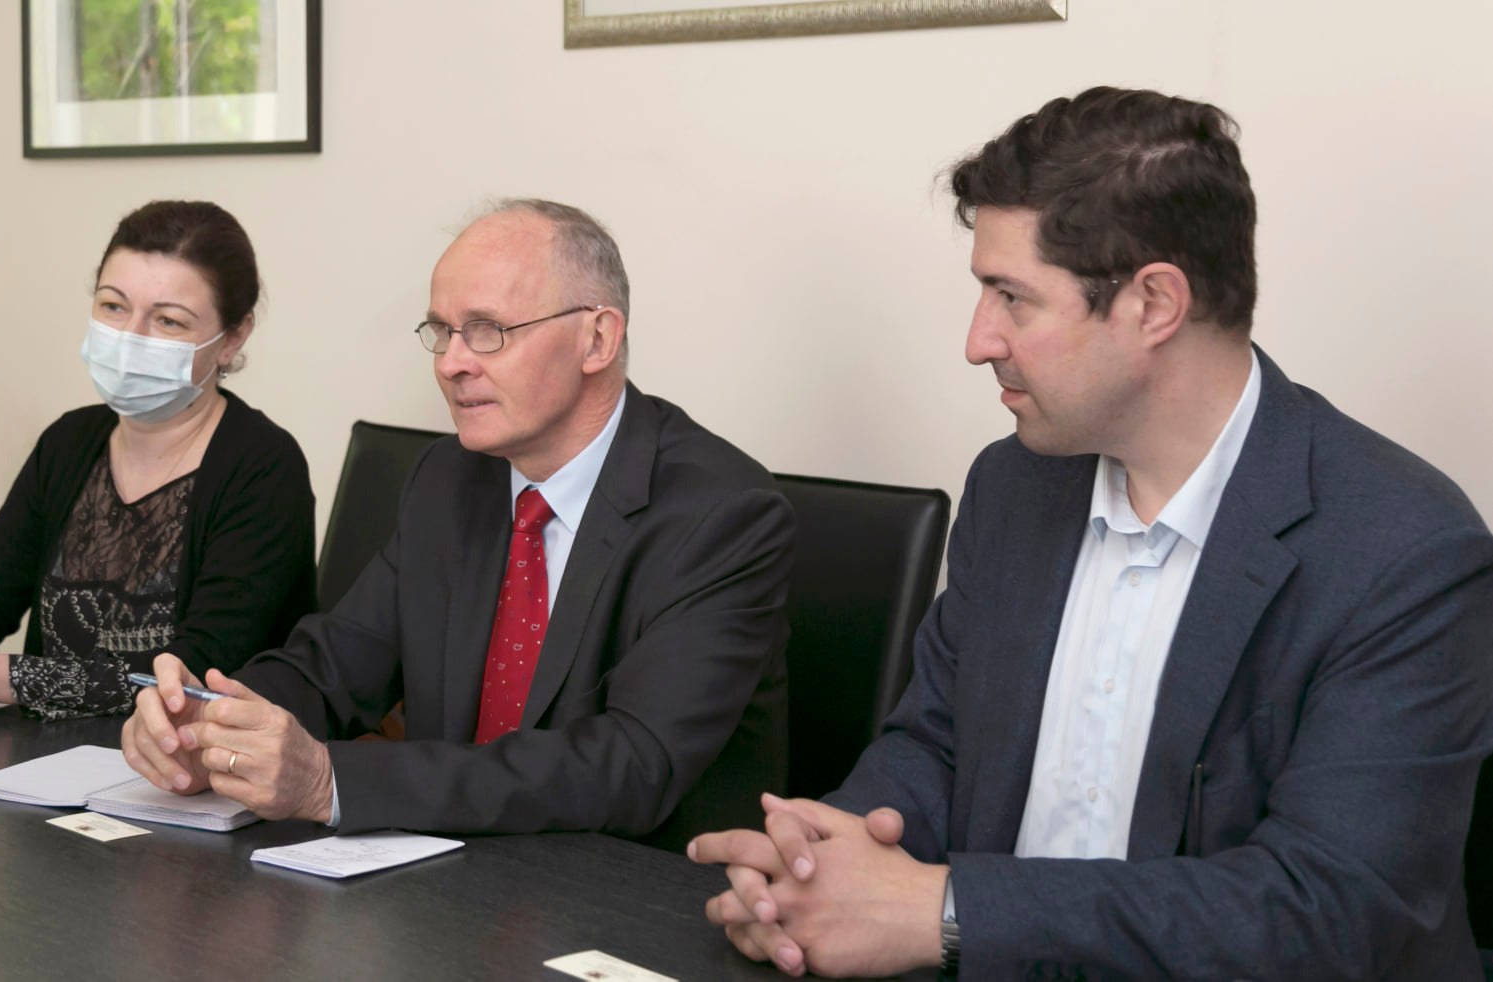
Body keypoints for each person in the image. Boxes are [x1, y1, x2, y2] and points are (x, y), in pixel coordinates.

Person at [691, 87, 1493, 978]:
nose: (977, 341)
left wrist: (945, 911)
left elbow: (1328, 911)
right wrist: (814, 871)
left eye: (1012, 297)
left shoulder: (1404, 550)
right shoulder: (1015, 484)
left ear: (1153, 303)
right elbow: (936, 747)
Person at [120, 199, 792, 850]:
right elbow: (335, 664)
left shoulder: (721, 513)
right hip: (450, 879)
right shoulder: (448, 478)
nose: (450, 363)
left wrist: (330, 781)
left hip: (630, 894)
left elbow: (631, 764)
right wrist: (209, 722)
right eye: (441, 331)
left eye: (487, 330)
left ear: (597, 338)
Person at [0, 200, 316, 720]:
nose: (130, 337)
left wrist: (2, 678)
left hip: (191, 761)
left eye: (168, 320)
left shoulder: (264, 467)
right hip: (39, 756)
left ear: (232, 338)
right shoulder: (69, 441)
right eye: (113, 306)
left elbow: (196, 674)